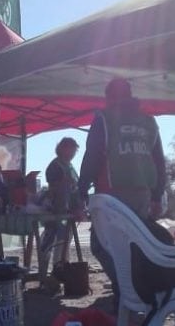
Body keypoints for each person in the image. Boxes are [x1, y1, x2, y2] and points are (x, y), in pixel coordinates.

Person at [78, 78, 167, 306]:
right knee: (135, 244)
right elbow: (158, 161)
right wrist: (157, 195)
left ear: (109, 97)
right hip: (143, 194)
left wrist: (80, 192)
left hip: (112, 194)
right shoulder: (148, 122)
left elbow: (92, 157)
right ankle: (133, 289)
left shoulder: (105, 119)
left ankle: (129, 289)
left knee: (102, 244)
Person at [39, 136, 83, 279]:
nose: (72, 154)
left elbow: (75, 187)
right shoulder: (55, 166)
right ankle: (55, 270)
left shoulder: (69, 166)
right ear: (62, 149)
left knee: (65, 241)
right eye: (70, 150)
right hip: (57, 209)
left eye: (74, 151)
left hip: (69, 209)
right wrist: (64, 183)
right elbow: (54, 188)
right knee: (55, 241)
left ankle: (62, 268)